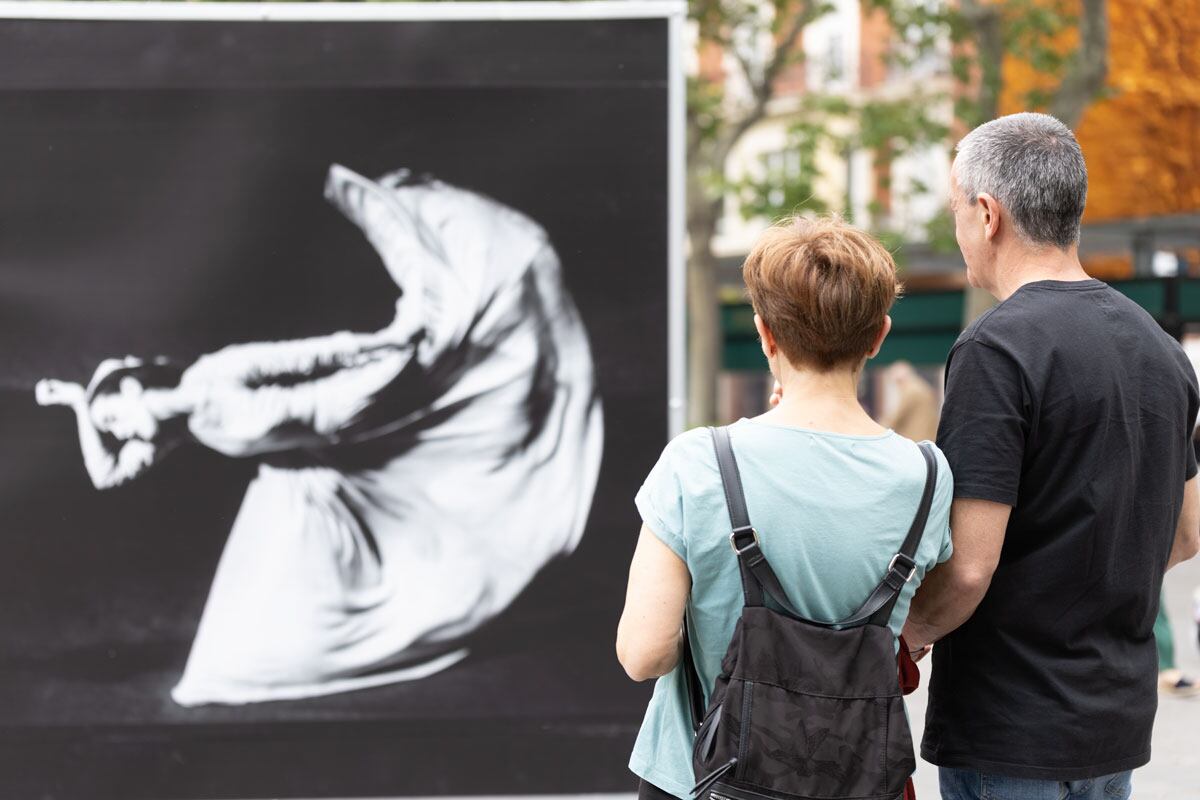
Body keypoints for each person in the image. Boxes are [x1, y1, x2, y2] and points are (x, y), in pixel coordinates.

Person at [35, 165, 604, 705]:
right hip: (329, 443)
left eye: (111, 415)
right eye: (109, 426)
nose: (116, 431)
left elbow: (308, 356)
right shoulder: (178, 432)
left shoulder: (214, 372)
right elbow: (104, 474)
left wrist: (385, 340)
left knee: (445, 348)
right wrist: (79, 408)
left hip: (352, 401)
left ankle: (476, 292)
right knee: (252, 623)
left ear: (134, 388)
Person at [901, 113, 1200, 800]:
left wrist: (909, 632)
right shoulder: (1160, 350)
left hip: (1010, 726)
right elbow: (1184, 535)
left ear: (987, 213)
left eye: (956, 211)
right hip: (1114, 727)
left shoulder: (996, 350)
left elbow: (971, 564)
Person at [616, 216, 954, 800]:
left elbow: (643, 654)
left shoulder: (701, 463)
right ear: (878, 335)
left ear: (765, 334)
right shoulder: (926, 474)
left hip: (704, 780)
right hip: (856, 781)